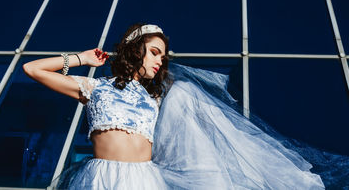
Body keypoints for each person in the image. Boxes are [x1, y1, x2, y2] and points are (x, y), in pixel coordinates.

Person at [23, 23, 325, 189]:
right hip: (102, 177)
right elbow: (33, 69)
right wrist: (83, 59)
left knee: (185, 92)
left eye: (162, 57)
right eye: (154, 52)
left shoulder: (157, 98)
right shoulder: (94, 87)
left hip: (145, 178)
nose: (159, 61)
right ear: (134, 49)